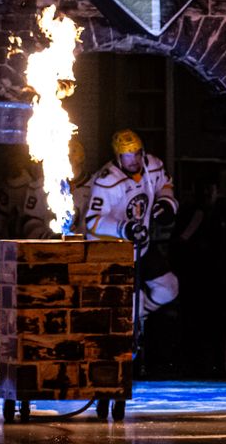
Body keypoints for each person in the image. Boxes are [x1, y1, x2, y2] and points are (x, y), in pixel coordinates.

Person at [77, 129, 179, 319]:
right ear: (118, 156)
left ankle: (139, 320)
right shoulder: (107, 180)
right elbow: (92, 222)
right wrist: (124, 228)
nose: (134, 161)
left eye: (137, 154)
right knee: (132, 303)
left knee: (169, 288)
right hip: (112, 252)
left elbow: (165, 184)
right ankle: (131, 330)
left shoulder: (153, 166)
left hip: (142, 246)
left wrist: (166, 203)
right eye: (127, 156)